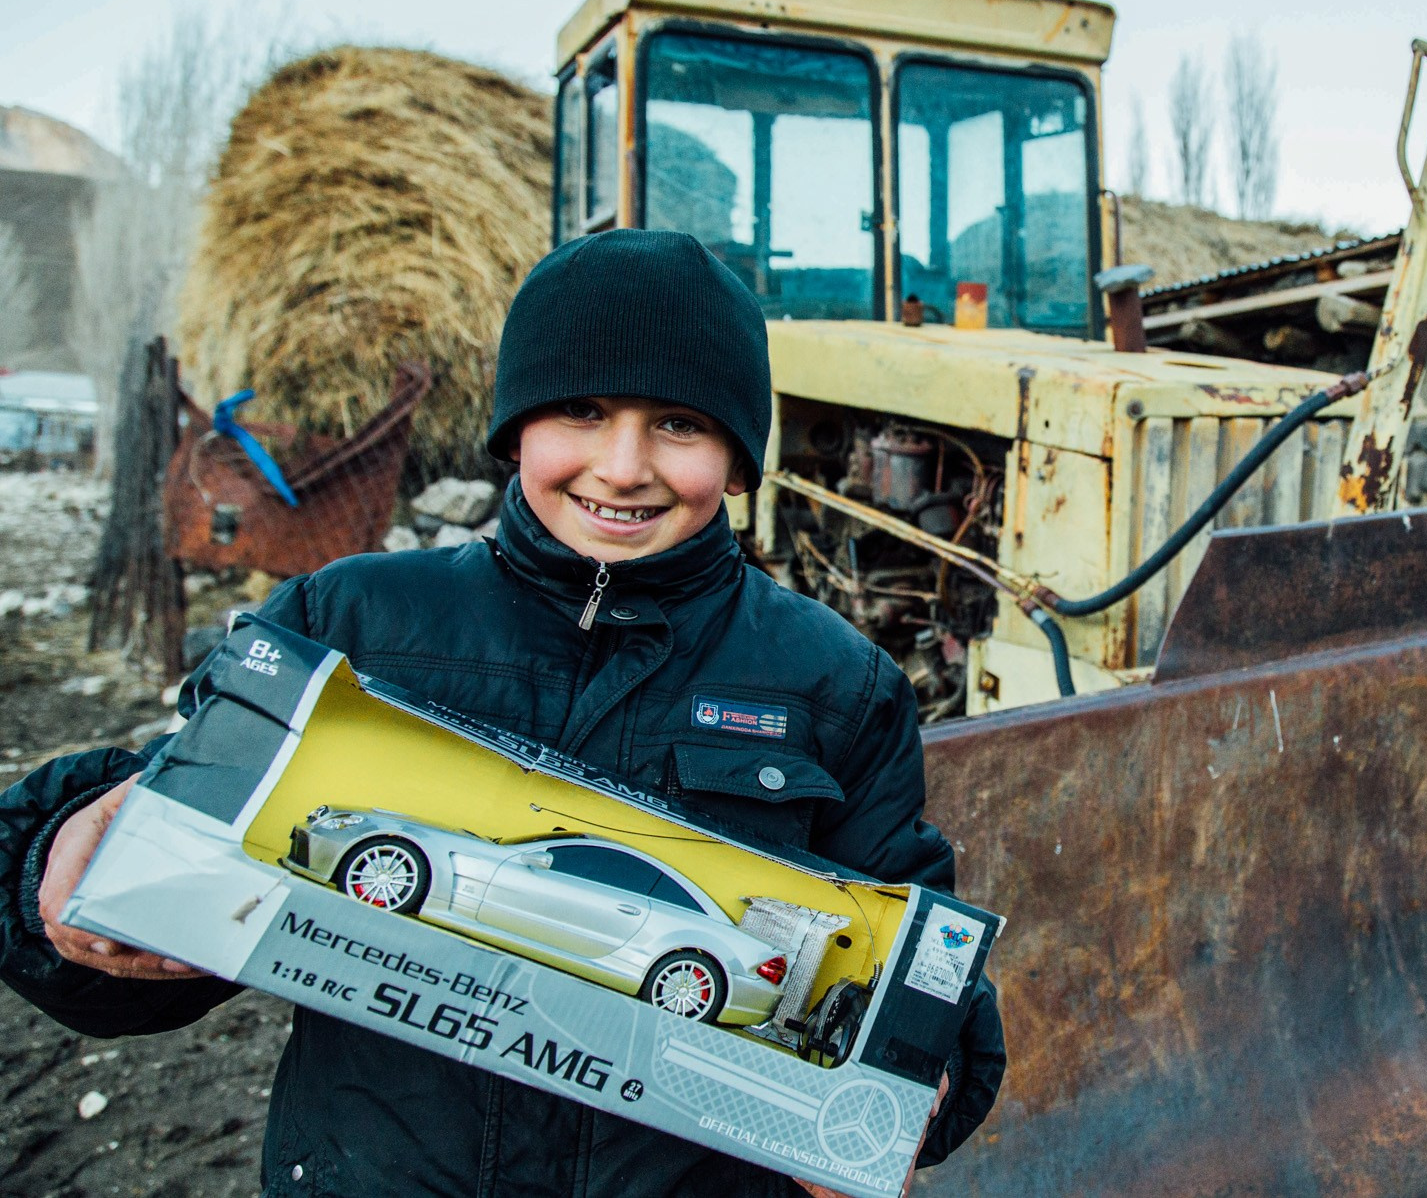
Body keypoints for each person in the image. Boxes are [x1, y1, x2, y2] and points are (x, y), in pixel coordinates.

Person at [0, 229, 1006, 1198]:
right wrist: (63, 878)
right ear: (513, 427)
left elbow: (911, 972)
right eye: (579, 410)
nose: (621, 465)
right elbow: (169, 907)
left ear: (739, 461)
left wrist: (915, 1089)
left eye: (679, 424)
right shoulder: (346, 621)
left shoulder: (837, 685)